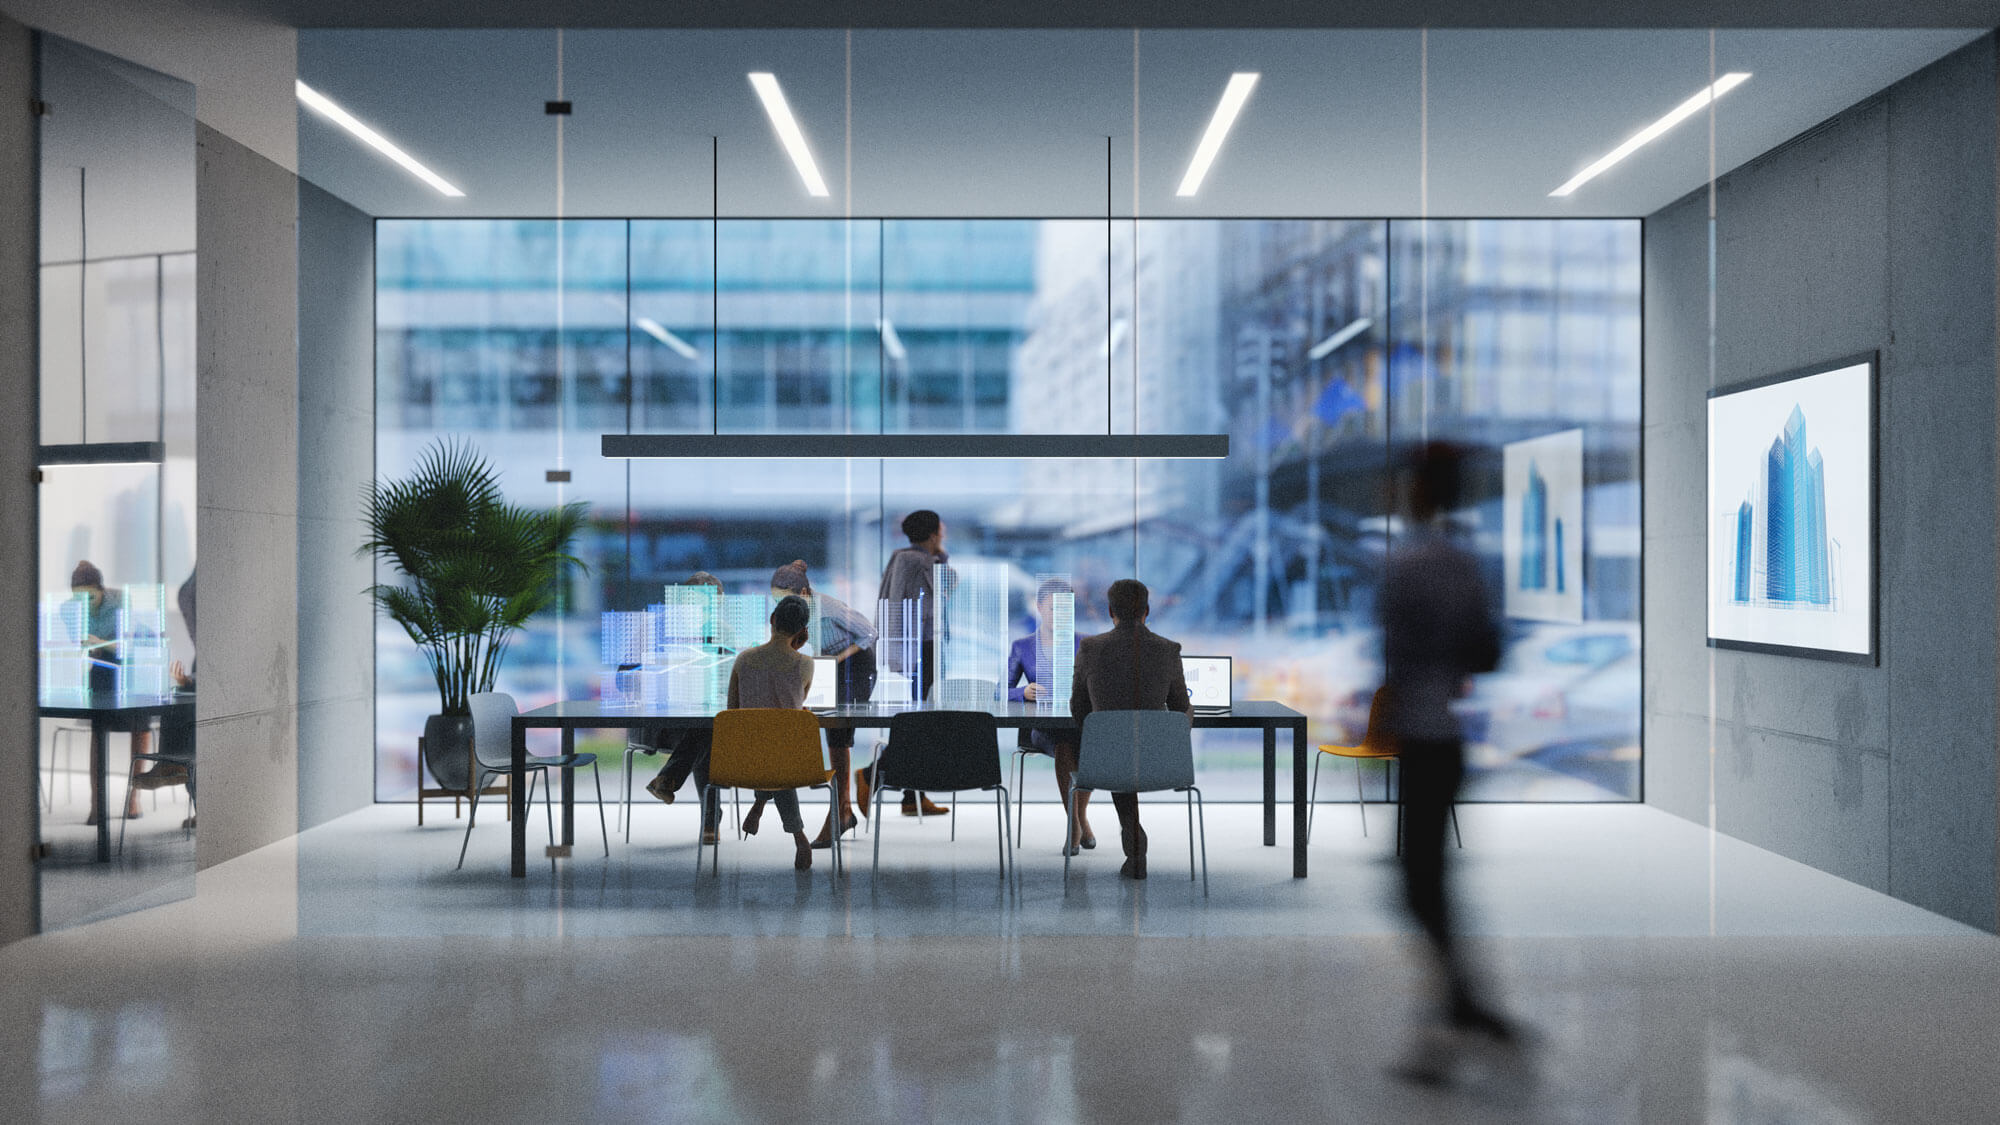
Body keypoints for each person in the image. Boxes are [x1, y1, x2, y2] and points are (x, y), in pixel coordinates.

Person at [1376, 441, 1517, 1081]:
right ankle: (1464, 1008)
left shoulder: (1412, 568)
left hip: (1423, 739)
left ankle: (1460, 1017)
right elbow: (1488, 652)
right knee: (1425, 885)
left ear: (1421, 492)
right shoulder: (1464, 565)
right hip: (1445, 738)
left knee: (1418, 887)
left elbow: (1397, 659)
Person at [1069, 578, 1190, 880]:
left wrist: (1102, 728)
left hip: (1105, 758)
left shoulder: (1090, 648)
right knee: (1129, 745)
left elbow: (1078, 709)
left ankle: (1132, 836)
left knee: (1112, 748)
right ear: (1147, 611)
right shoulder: (1168, 649)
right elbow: (1179, 709)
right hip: (1159, 760)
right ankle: (1133, 837)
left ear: (1110, 610)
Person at [768, 560, 873, 848]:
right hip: (827, 664)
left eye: (785, 599)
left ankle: (840, 811)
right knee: (822, 725)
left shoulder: (829, 607)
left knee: (838, 733)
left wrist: (837, 660)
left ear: (803, 592)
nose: (781, 605)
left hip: (855, 663)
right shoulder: (797, 612)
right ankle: (844, 810)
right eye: (776, 600)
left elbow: (869, 633)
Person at [857, 510, 950, 819]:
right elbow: (936, 600)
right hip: (922, 648)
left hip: (915, 648)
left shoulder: (904, 557)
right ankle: (871, 775)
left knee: (918, 721)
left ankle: (913, 796)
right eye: (941, 527)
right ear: (933, 532)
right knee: (918, 724)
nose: (944, 531)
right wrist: (941, 562)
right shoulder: (919, 561)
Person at [722, 594, 819, 870]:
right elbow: (797, 709)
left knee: (768, 750)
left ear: (772, 620)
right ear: (802, 631)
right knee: (778, 754)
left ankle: (759, 806)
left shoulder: (743, 660)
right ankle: (800, 837)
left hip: (746, 759)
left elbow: (732, 712)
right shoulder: (806, 664)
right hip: (787, 762)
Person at [1006, 578, 1093, 853]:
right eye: (1054, 608)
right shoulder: (1022, 646)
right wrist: (1023, 692)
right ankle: (1075, 824)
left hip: (1080, 721)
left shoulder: (1087, 644)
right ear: (1040, 608)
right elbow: (1001, 690)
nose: (1060, 615)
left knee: (1087, 743)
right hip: (1043, 727)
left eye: (1066, 608)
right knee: (1065, 742)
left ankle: (1078, 821)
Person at [643, 572, 729, 843]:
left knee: (707, 730)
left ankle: (668, 780)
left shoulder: (723, 630)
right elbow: (628, 676)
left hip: (703, 719)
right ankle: (710, 820)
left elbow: (729, 677)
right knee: (707, 734)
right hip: (666, 723)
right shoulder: (660, 629)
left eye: (712, 603)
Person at [70, 561, 146, 824]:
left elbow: (128, 646)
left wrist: (100, 643)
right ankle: (96, 804)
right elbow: (79, 644)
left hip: (129, 669)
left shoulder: (121, 601)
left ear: (101, 590)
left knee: (140, 727)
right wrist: (92, 648)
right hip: (101, 669)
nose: (85, 602)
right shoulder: (72, 609)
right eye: (78, 597)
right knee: (98, 730)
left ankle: (134, 798)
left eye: (90, 596)